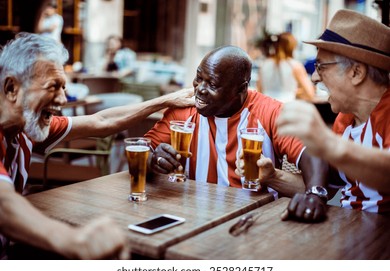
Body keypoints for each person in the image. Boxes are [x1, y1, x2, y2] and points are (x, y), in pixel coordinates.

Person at [0, 32, 194, 259]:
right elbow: (4, 205)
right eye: (53, 86)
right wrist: (75, 241)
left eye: (64, 87)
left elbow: (101, 121)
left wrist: (166, 100)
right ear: (12, 88)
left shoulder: (25, 127)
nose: (63, 99)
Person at [144, 45, 328, 217]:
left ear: (241, 89)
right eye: (199, 78)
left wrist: (314, 195)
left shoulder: (271, 112)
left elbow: (313, 153)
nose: (200, 89)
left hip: (255, 218)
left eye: (212, 84)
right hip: (194, 214)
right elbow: (140, 151)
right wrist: (153, 160)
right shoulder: (182, 110)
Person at [276, 9, 390, 217]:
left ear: (356, 72)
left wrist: (328, 142)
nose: (313, 78)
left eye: (321, 67)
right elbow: (328, 189)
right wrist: (272, 177)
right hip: (348, 229)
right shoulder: (345, 120)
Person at [257, 32, 315, 102]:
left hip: (267, 107)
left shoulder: (264, 64)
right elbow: (309, 93)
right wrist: (293, 92)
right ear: (292, 46)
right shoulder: (295, 65)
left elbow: (259, 90)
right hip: (286, 107)